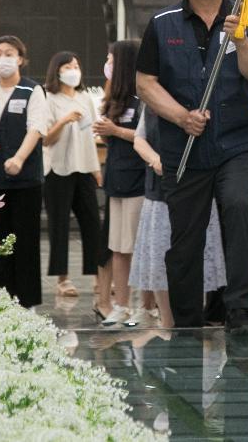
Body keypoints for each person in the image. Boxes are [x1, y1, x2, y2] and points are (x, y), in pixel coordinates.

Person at [135, 0, 248, 334]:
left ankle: (240, 310)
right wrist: (180, 116)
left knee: (239, 208)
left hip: (236, 144)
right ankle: (187, 323)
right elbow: (145, 83)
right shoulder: (162, 24)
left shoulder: (244, 19)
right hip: (184, 147)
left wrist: (240, 39)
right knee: (186, 237)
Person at [129, 104, 228, 327]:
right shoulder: (152, 104)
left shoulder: (201, 101)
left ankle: (192, 320)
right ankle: (167, 321)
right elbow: (139, 139)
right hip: (159, 194)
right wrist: (155, 160)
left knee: (196, 258)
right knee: (159, 263)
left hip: (196, 191)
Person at [0, 35, 48, 307]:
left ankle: (26, 301)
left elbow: (37, 128)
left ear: (20, 59)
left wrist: (18, 158)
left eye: (9, 53)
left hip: (25, 180)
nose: (2, 58)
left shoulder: (32, 90)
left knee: (24, 242)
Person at [42, 50, 103, 299]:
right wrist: (64, 120)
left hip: (83, 167)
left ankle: (100, 276)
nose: (73, 71)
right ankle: (62, 279)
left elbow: (91, 136)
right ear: (57, 71)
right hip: (57, 169)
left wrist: (96, 169)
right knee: (59, 225)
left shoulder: (85, 98)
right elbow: (46, 138)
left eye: (76, 66)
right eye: (68, 67)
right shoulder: (49, 98)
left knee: (92, 224)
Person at [95, 40, 147, 325]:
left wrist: (115, 130)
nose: (108, 64)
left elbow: (145, 137)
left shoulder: (143, 99)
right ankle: (121, 304)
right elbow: (110, 138)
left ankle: (144, 304)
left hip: (138, 182)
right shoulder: (115, 98)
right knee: (118, 247)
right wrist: (107, 131)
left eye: (111, 59)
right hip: (116, 181)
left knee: (138, 246)